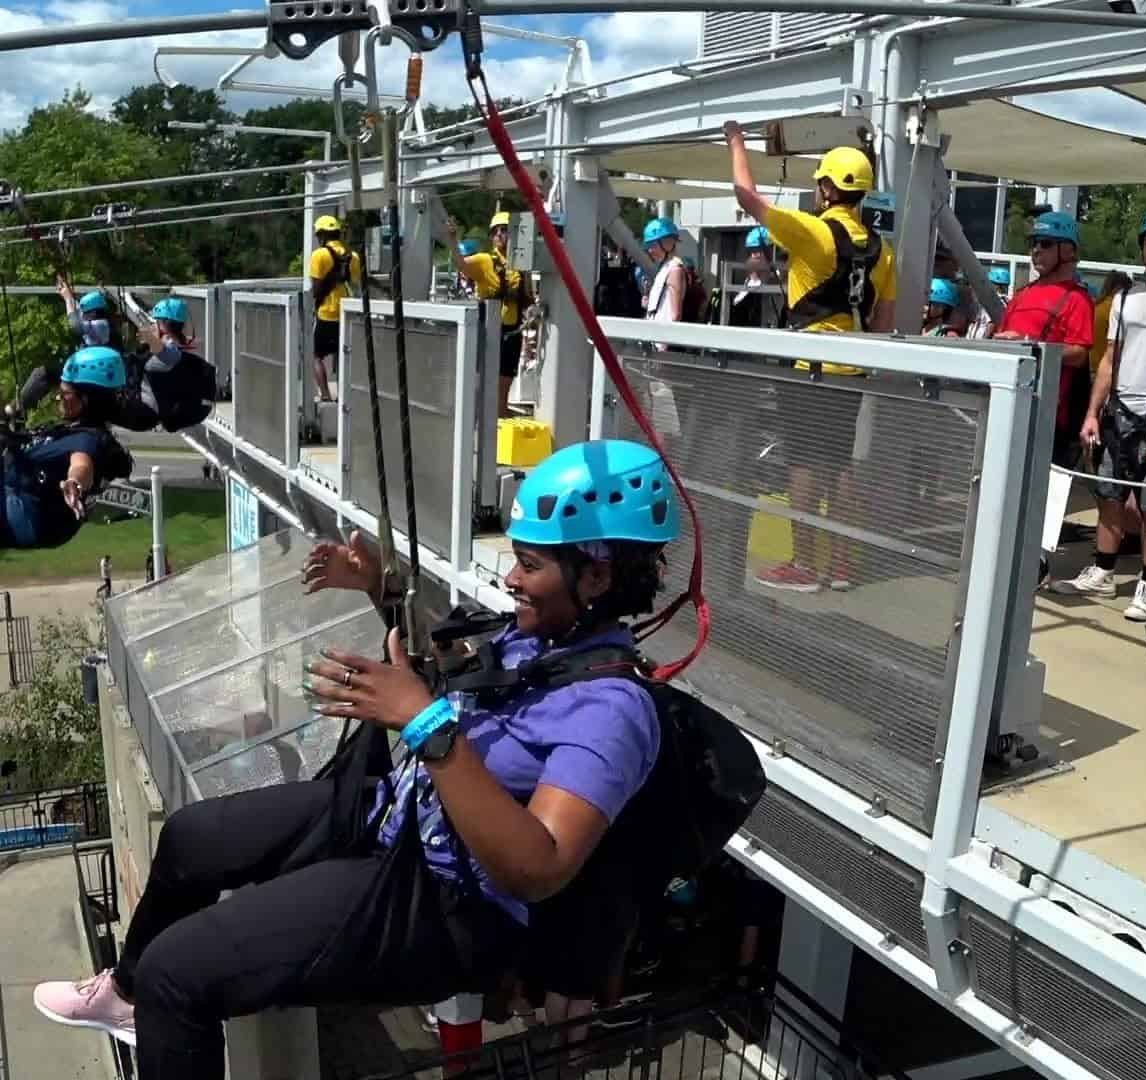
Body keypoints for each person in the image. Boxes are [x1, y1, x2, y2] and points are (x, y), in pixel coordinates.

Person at [32, 438, 675, 1080]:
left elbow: (540, 865)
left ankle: (151, 993)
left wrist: (425, 726)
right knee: (192, 838)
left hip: (445, 901)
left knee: (181, 974)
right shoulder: (538, 642)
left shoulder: (612, 709)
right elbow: (446, 669)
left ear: (596, 577)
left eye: (530, 566)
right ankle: (125, 993)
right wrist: (380, 589)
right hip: (396, 820)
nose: (510, 579)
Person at [723, 123, 896, 592]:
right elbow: (883, 320)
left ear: (826, 187)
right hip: (853, 370)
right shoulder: (882, 250)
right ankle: (840, 567)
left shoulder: (812, 232)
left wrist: (737, 142)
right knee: (840, 466)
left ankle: (803, 564)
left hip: (810, 369)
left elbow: (747, 197)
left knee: (803, 463)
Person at [1051, 210, 1146, 622]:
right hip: (1118, 415)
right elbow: (1108, 361)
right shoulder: (1124, 299)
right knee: (1108, 496)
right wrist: (1091, 413)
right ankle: (1103, 569)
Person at [1, 346, 132, 549]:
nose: (58, 398)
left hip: (27, 514)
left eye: (65, 393)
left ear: (85, 399)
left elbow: (82, 465)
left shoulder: (88, 440)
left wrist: (75, 484)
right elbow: (45, 374)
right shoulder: (74, 429)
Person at [993, 211, 1094, 467]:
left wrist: (1029, 345)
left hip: (1047, 418)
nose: (1037, 250)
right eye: (1034, 243)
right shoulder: (1022, 294)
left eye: (1046, 243)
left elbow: (1080, 354)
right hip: (1005, 406)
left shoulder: (1077, 299)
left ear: (1068, 251)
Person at [447, 211, 532, 417]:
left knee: (506, 375)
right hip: (490, 327)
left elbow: (527, 294)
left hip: (513, 329)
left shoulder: (521, 264)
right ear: (492, 237)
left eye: (506, 231)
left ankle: (500, 413)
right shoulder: (485, 260)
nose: (502, 235)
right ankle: (477, 418)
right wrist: (451, 240)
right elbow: (462, 264)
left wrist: (531, 313)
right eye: (497, 231)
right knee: (483, 375)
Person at [6, 279, 123, 420]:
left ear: (93, 313)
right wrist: (67, 295)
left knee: (43, 374)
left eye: (86, 313)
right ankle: (19, 410)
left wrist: (68, 299)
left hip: (90, 372)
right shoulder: (101, 322)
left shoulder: (101, 325)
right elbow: (77, 312)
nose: (83, 316)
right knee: (45, 374)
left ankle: (15, 410)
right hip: (89, 370)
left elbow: (75, 325)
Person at [117, 298, 215, 433]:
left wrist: (150, 337)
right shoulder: (180, 347)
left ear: (162, 324)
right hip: (144, 411)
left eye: (153, 322)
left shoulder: (170, 352)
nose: (151, 326)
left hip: (144, 413)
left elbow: (167, 354)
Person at [308, 214, 360, 404]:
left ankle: (325, 394)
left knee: (315, 355)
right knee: (343, 353)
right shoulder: (353, 256)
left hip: (327, 313)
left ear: (321, 235)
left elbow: (315, 288)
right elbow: (355, 284)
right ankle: (345, 395)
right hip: (348, 313)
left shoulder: (319, 255)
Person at [709, 227, 785, 328]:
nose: (753, 256)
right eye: (751, 251)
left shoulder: (776, 278)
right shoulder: (750, 280)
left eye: (757, 251)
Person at [642, 217, 687, 326]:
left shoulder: (675, 270)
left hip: (663, 339)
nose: (650, 250)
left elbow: (675, 316)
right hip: (657, 337)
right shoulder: (666, 268)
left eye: (653, 245)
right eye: (648, 246)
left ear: (668, 243)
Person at [1091, 271, 1134, 376]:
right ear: (1118, 288)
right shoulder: (1115, 310)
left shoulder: (1095, 306)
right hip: (1104, 371)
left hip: (1090, 367)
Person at [966, 266, 1011, 341]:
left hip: (979, 343)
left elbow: (992, 324)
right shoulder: (1008, 301)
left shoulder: (993, 301)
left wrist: (983, 342)